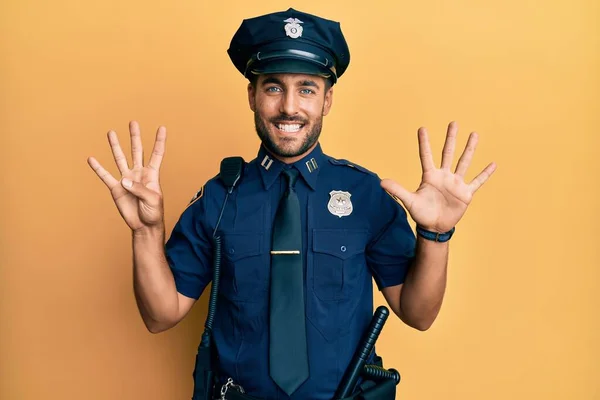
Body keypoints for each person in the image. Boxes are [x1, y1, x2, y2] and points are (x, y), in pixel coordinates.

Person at [87, 8, 496, 400]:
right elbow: (162, 315)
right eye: (273, 86)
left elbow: (418, 313)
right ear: (252, 95)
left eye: (306, 88)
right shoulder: (219, 196)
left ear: (327, 100)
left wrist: (436, 234)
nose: (289, 106)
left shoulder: (365, 194)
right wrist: (146, 232)